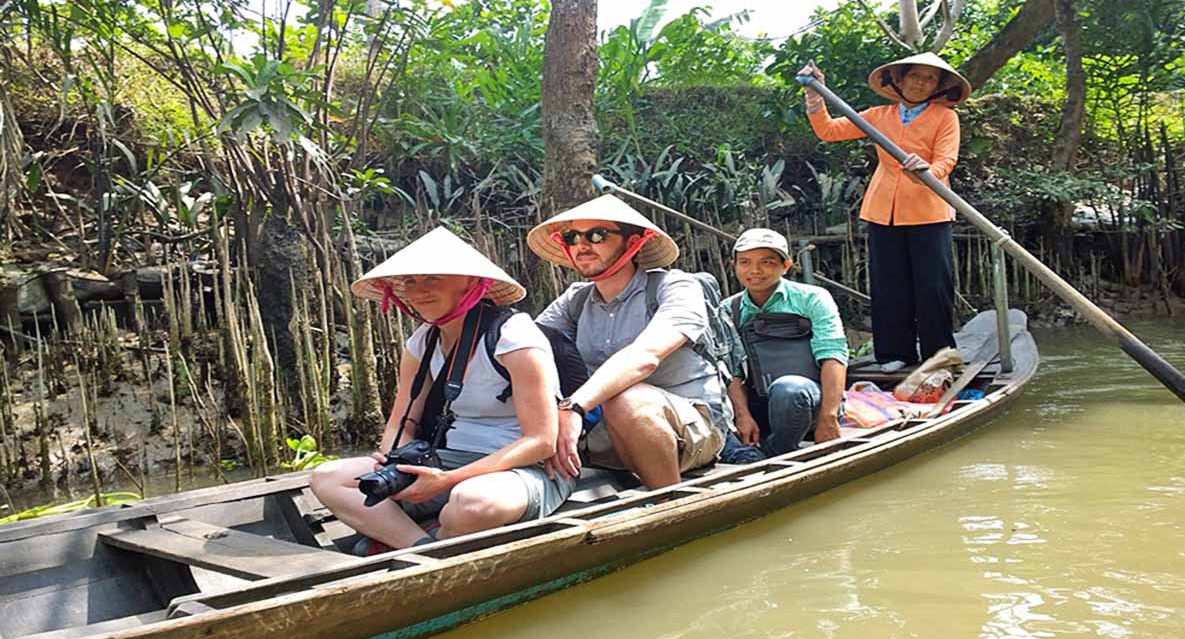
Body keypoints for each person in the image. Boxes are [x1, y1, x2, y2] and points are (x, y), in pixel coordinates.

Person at [310, 227, 571, 552]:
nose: (419, 291)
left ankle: (428, 536)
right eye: (410, 282)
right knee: (327, 477)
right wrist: (393, 462)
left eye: (433, 278)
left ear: (472, 283)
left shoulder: (513, 335)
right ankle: (422, 547)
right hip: (444, 459)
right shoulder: (422, 340)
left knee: (472, 503)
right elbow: (402, 423)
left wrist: (448, 481)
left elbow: (541, 441)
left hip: (520, 469)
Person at [527, 195, 728, 489]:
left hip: (691, 432)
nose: (582, 246)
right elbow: (524, 347)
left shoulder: (674, 286)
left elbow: (646, 356)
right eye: (571, 237)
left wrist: (574, 408)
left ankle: (670, 505)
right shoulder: (576, 299)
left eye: (597, 235)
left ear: (633, 242)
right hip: (604, 431)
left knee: (626, 398)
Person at [799, 52, 971, 372]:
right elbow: (829, 131)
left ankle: (940, 354)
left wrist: (928, 169)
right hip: (882, 210)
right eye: (915, 76)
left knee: (933, 285)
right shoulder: (879, 115)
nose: (921, 83)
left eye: (929, 78)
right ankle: (895, 353)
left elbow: (947, 159)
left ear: (937, 86)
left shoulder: (945, 117)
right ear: (900, 80)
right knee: (889, 283)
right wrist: (814, 96)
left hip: (929, 209)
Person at [719, 229, 848, 463]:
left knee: (789, 389)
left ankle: (779, 453)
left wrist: (829, 417)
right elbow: (732, 370)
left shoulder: (812, 298)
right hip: (760, 403)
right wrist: (743, 415)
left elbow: (833, 355)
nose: (754, 271)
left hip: (813, 400)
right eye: (745, 263)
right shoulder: (729, 309)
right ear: (734, 265)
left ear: (786, 265)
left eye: (766, 263)